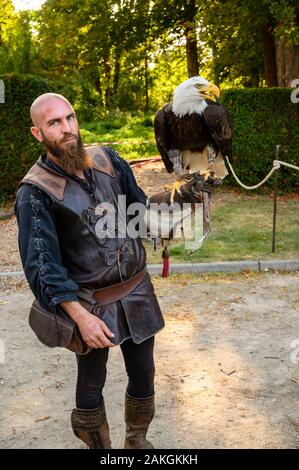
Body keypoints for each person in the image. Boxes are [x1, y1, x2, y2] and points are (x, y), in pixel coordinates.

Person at [15, 93, 204, 450]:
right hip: (90, 304)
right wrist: (79, 317)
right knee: (91, 383)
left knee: (144, 372)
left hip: (137, 290)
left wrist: (182, 198)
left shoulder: (107, 159)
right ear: (37, 133)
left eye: (69, 118)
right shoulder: (36, 191)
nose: (67, 128)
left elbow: (139, 211)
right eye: (54, 123)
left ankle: (136, 441)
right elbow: (42, 268)